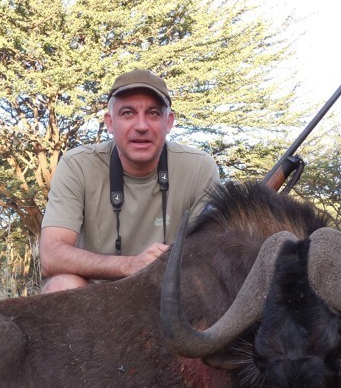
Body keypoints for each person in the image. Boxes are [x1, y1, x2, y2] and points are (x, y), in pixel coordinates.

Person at [40, 69, 220, 293]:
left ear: (169, 122)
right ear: (110, 122)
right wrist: (131, 265)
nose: (142, 126)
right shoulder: (77, 165)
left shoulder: (200, 167)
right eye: (128, 113)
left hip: (168, 297)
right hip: (95, 301)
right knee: (62, 285)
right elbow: (50, 255)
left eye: (153, 113)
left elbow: (209, 255)